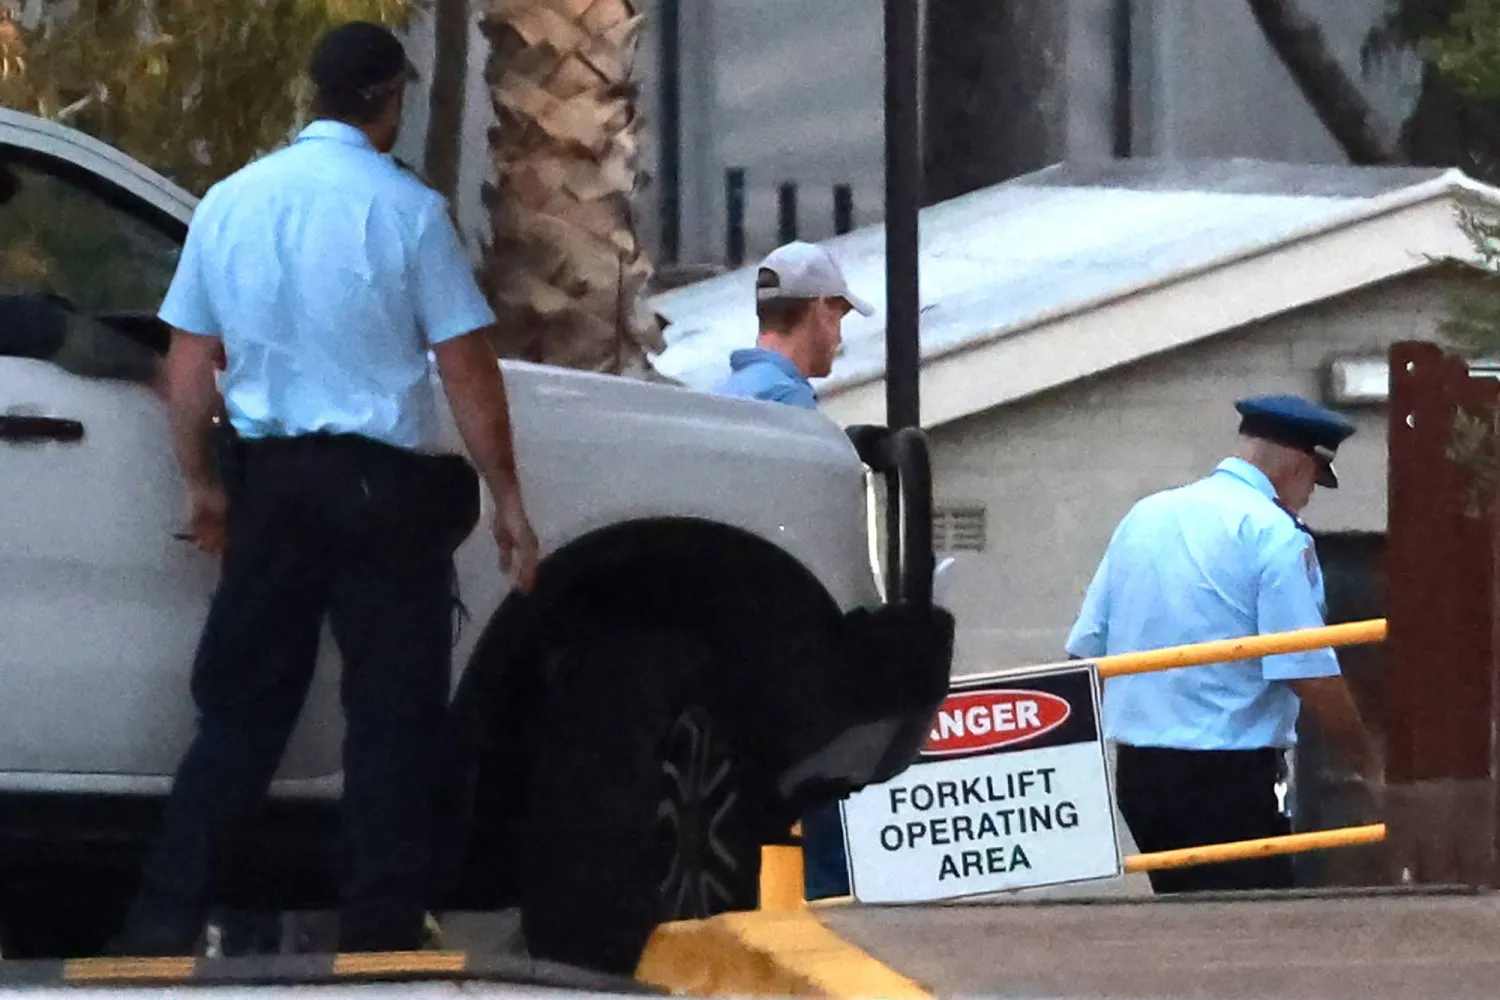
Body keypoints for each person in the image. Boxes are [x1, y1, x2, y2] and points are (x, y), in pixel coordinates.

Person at [107, 21, 540, 955]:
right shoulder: (407, 212)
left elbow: (189, 371)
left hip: (269, 488)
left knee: (239, 714)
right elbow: (467, 372)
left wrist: (203, 488)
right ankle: (380, 932)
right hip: (383, 493)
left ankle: (160, 924)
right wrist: (507, 500)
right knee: (392, 721)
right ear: (389, 99)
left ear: (317, 94)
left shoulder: (231, 203)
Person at [1064, 394, 1382, 894]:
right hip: (1227, 778)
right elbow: (1306, 667)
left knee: (1191, 922)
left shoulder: (1146, 516)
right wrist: (1365, 760)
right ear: (1300, 468)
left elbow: (1085, 651)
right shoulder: (1273, 533)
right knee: (1256, 929)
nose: (1307, 498)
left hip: (1140, 775)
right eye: (1313, 485)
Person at [710, 240, 873, 902]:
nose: (839, 335)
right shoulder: (790, 415)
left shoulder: (723, 397)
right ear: (816, 313)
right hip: (779, 655)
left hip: (720, 651)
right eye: (839, 316)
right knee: (825, 811)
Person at [712, 240, 873, 407]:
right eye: (838, 318)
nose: (839, 338)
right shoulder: (788, 399)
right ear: (820, 310)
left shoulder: (717, 394)